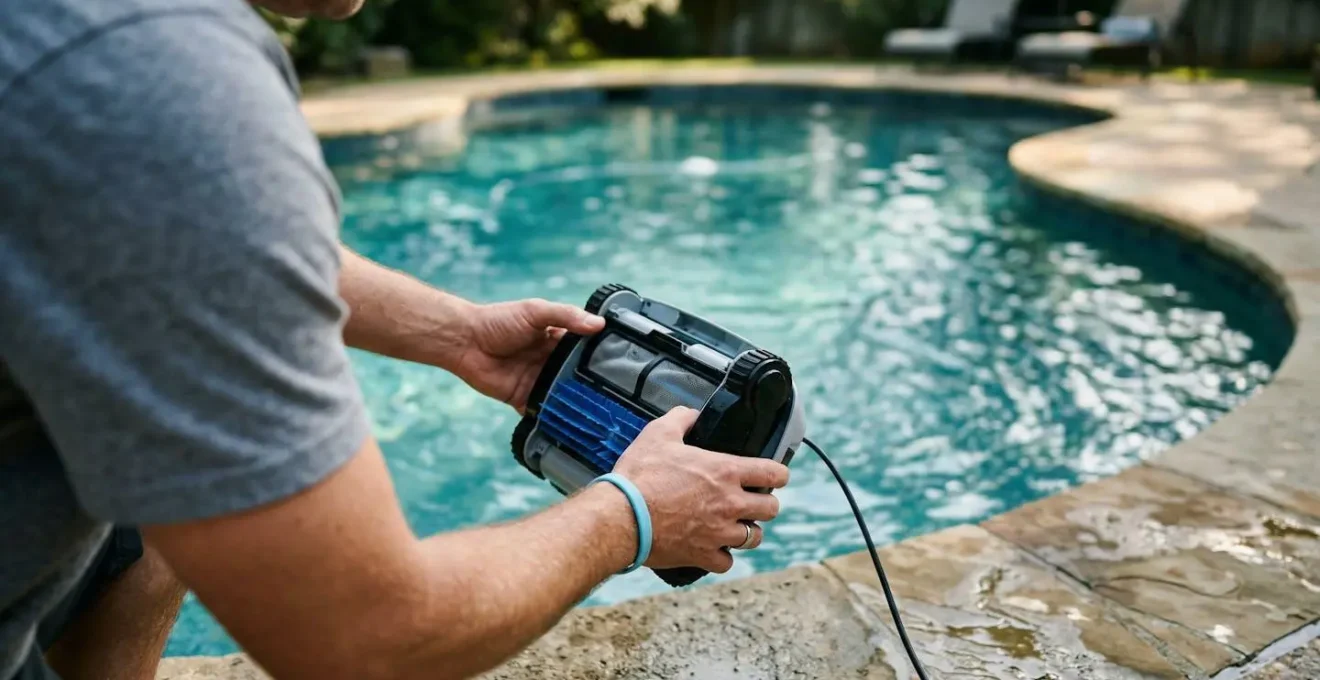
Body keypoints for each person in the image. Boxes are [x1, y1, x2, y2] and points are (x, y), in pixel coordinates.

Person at [0, 0, 790, 678]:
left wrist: (456, 334)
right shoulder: (155, 76)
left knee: (205, 455)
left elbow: (181, 243)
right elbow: (366, 641)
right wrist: (633, 515)